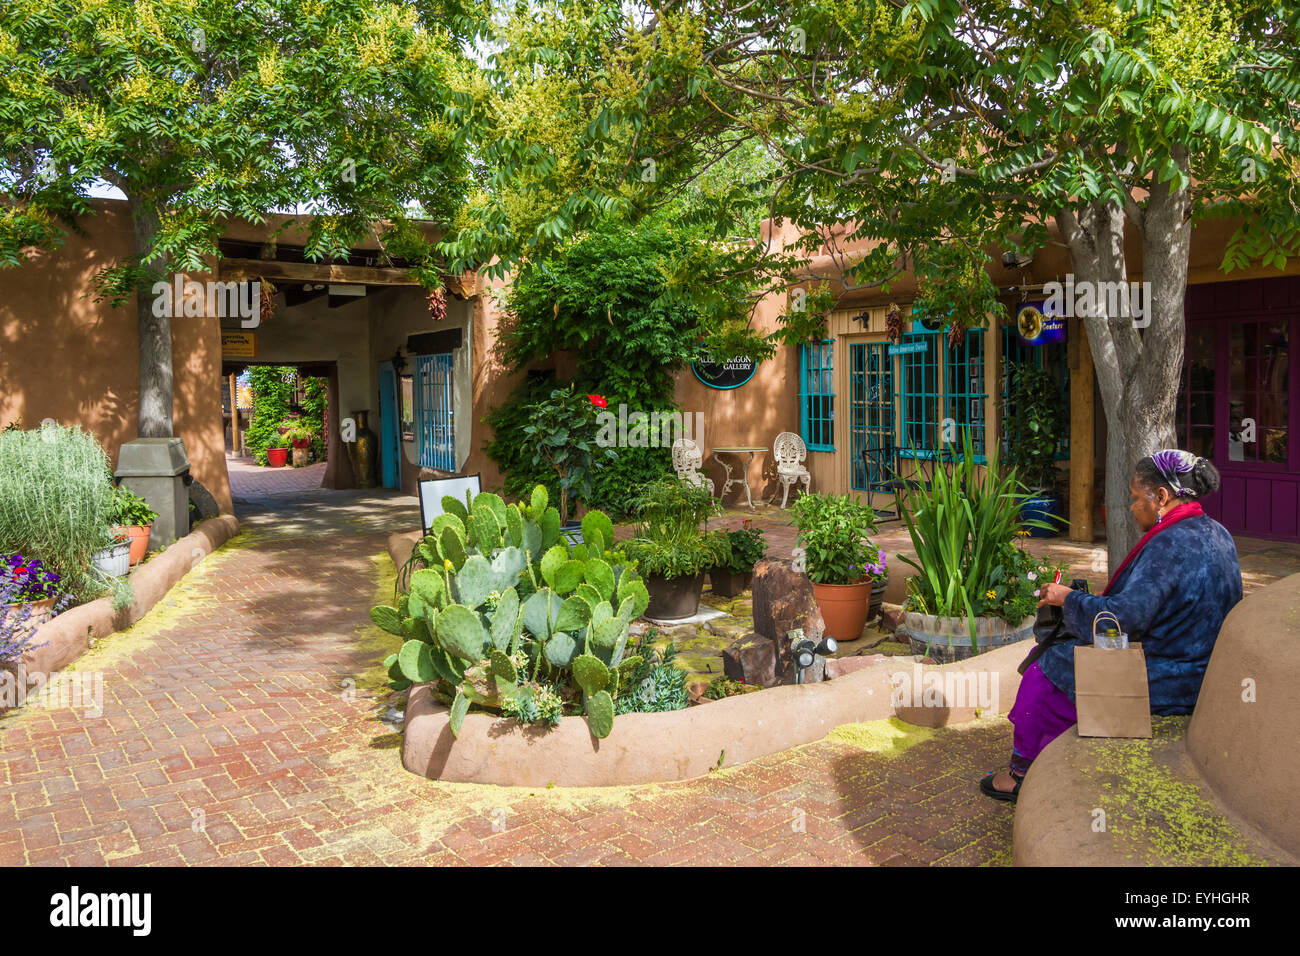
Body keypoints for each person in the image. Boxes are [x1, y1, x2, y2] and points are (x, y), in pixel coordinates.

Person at [980, 449, 1243, 801]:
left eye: (1137, 499)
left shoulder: (1170, 544)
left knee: (1044, 670)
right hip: (1199, 663)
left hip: (1168, 674)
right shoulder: (1218, 533)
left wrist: (1065, 599)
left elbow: (1123, 619)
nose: (1133, 508)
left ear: (1161, 497)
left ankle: (1021, 774)